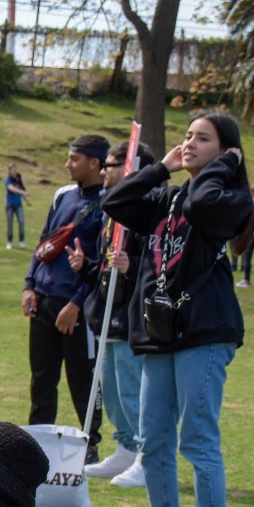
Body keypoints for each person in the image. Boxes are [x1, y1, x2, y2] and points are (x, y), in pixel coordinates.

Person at [102, 113, 254, 507]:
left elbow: (204, 202)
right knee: (153, 437)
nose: (188, 143)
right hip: (160, 331)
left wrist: (224, 167)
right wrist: (161, 167)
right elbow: (115, 200)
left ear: (227, 151)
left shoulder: (228, 198)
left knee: (198, 438)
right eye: (186, 135)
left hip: (204, 331)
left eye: (202, 138)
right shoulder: (166, 198)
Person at [22, 134, 108, 462]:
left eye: (74, 159)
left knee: (82, 376)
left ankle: (90, 443)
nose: (67, 164)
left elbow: (101, 263)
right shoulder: (62, 196)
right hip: (44, 299)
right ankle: (36, 441)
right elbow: (45, 242)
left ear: (95, 163)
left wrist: (76, 302)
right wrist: (30, 284)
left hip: (78, 307)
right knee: (42, 375)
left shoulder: (108, 204)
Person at [80, 141, 155, 488]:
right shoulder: (112, 213)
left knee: (129, 388)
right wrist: (86, 268)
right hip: (106, 314)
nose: (104, 171)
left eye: (111, 165)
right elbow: (107, 266)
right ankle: (125, 447)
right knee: (109, 390)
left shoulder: (148, 212)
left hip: (131, 316)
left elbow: (158, 266)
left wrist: (132, 266)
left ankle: (146, 454)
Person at [4, 164, 28, 250]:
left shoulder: (18, 179)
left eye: (16, 169)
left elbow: (22, 190)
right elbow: (11, 189)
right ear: (9, 170)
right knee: (10, 224)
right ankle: (9, 242)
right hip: (10, 205)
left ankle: (21, 241)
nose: (15, 171)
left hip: (18, 205)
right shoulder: (7, 180)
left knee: (21, 222)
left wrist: (25, 198)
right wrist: (22, 192)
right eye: (13, 169)